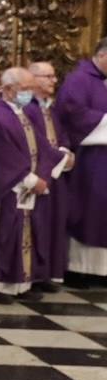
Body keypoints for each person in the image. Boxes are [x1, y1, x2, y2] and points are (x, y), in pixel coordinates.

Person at [0, 67, 60, 303]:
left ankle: (20, 283)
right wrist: (31, 180)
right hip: (10, 188)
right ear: (7, 89)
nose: (28, 94)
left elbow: (41, 147)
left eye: (29, 89)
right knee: (3, 235)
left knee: (25, 235)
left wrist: (48, 170)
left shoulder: (20, 113)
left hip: (27, 186)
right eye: (24, 89)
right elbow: (4, 156)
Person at [54, 39, 107, 283]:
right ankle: (80, 269)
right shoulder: (79, 79)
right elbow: (72, 112)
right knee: (90, 209)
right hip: (91, 159)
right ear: (103, 55)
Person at [27, 61, 74, 290]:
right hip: (40, 175)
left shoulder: (50, 108)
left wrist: (67, 151)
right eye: (48, 76)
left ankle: (49, 273)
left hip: (57, 176)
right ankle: (34, 274)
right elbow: (36, 142)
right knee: (38, 224)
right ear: (33, 79)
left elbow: (61, 135)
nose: (54, 81)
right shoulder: (29, 109)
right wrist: (60, 158)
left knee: (55, 222)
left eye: (54, 76)